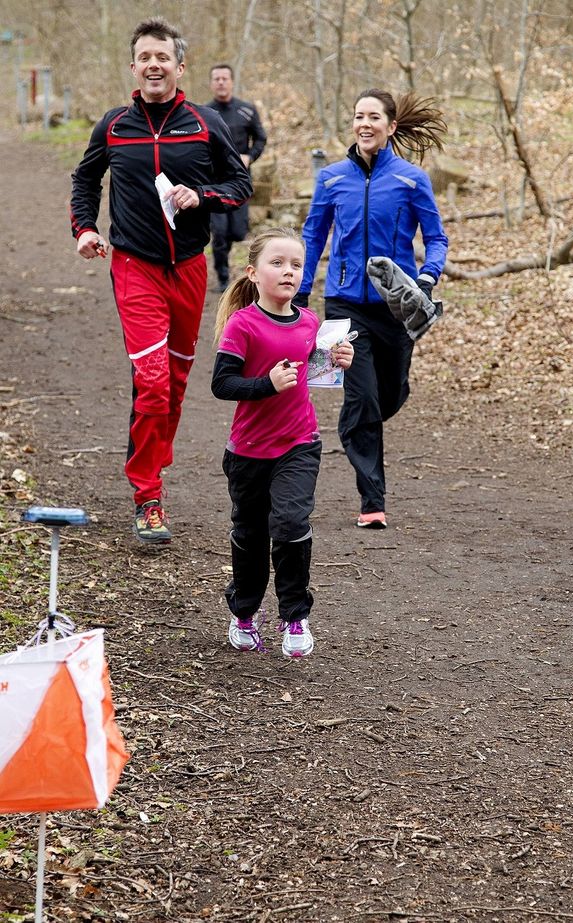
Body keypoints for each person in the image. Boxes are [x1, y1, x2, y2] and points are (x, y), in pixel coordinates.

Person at [70, 18, 252, 545]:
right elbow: (85, 178)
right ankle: (147, 494)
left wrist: (204, 196)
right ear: (133, 66)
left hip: (190, 267)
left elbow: (239, 182)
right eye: (145, 57)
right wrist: (85, 229)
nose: (154, 65)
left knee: (171, 386)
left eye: (163, 57)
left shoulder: (202, 123)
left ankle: (153, 465)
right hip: (134, 265)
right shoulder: (113, 126)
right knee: (150, 381)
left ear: (179, 66)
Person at [295, 89, 448, 529]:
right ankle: (372, 500)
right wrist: (302, 292)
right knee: (360, 396)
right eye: (359, 116)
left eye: (374, 117)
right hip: (344, 303)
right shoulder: (330, 178)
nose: (365, 123)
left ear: (390, 126)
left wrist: (426, 277)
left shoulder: (411, 179)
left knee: (390, 394)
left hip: (397, 306)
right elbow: (312, 236)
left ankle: (356, 422)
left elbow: (436, 239)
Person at [211, 228, 354, 657]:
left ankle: (294, 616)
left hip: (299, 443)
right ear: (253, 273)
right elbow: (223, 383)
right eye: (278, 263)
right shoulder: (242, 324)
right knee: (251, 534)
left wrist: (336, 359)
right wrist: (266, 385)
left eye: (296, 265)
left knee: (291, 526)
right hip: (249, 451)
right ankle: (245, 611)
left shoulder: (310, 322)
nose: (288, 272)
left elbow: (311, 375)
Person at [207, 64, 267, 292]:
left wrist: (250, 157)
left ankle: (226, 255)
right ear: (212, 83)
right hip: (214, 182)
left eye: (224, 78)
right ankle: (222, 277)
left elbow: (261, 138)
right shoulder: (204, 112)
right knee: (219, 232)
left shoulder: (246, 110)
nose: (221, 82)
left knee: (238, 231)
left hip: (240, 180)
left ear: (231, 82)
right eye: (216, 79)